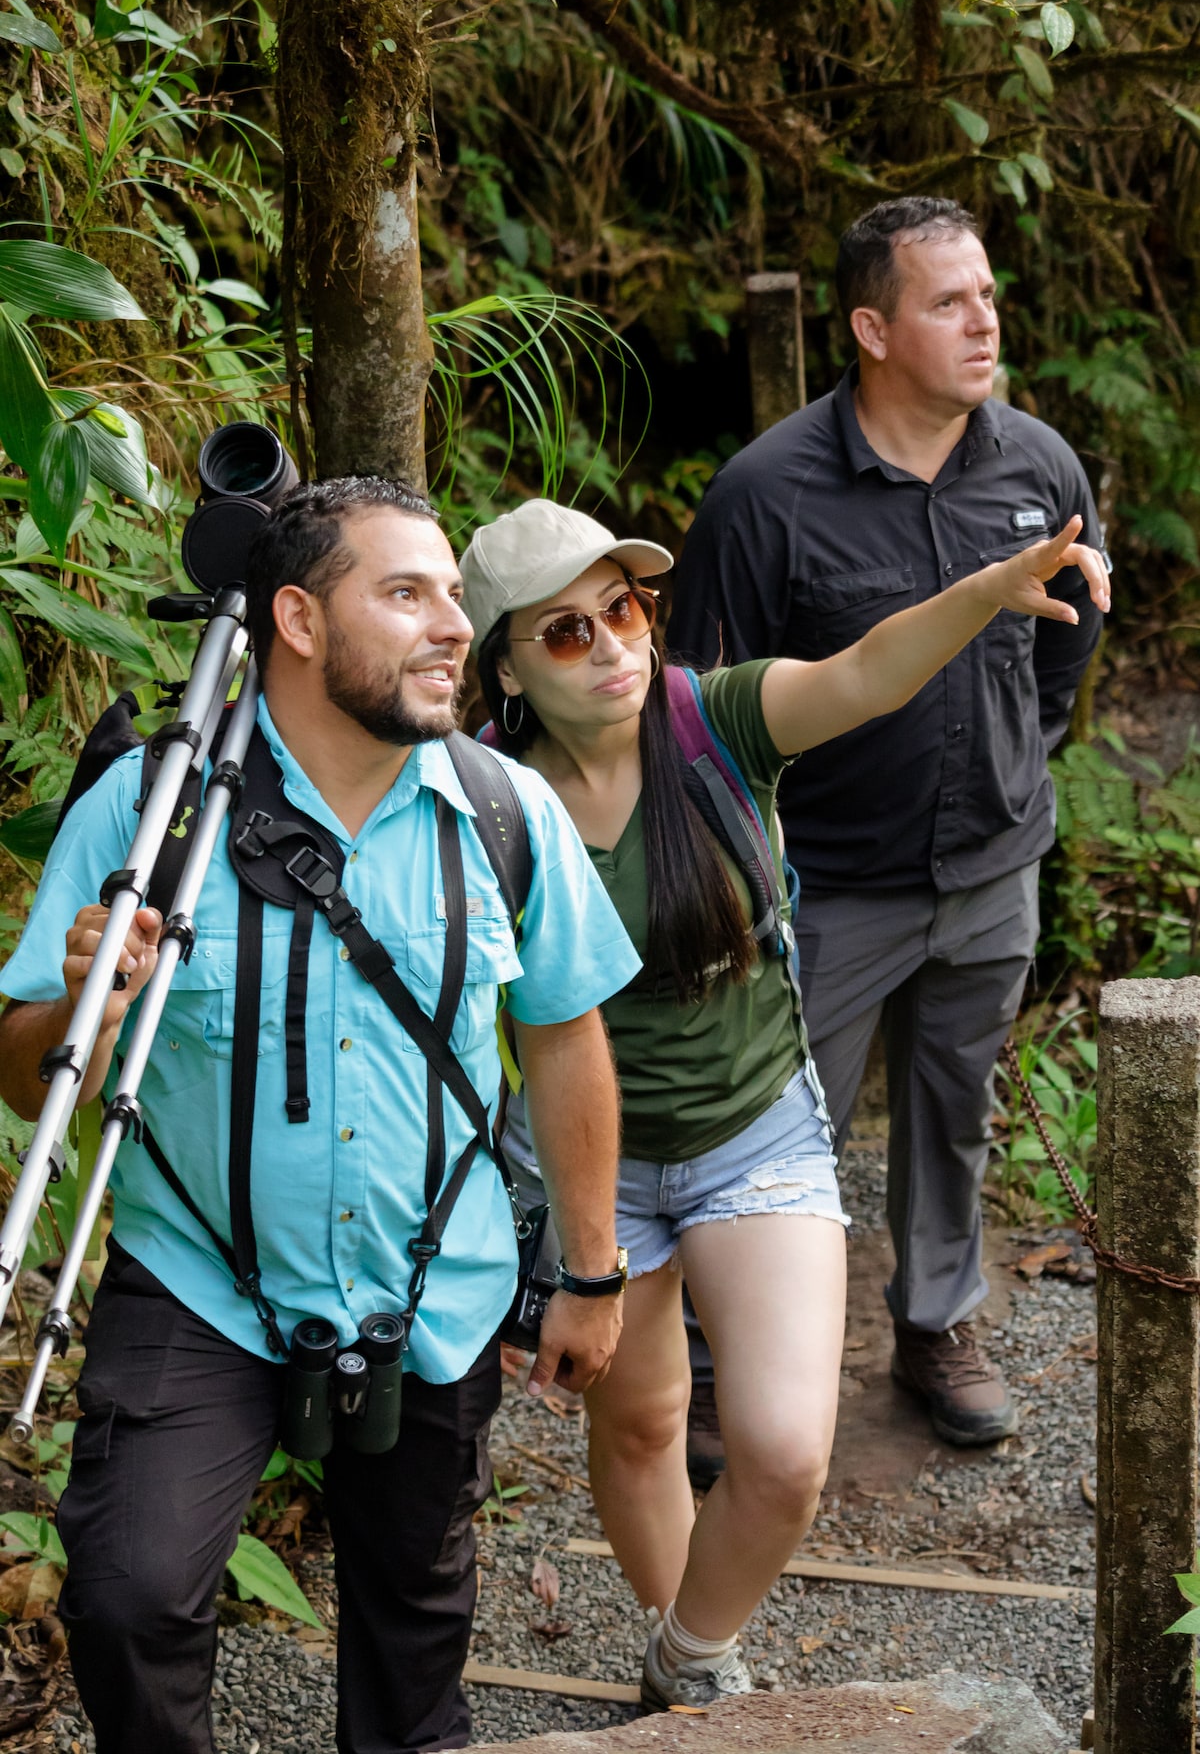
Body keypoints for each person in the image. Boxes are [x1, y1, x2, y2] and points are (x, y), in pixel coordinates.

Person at [0, 477, 642, 1754]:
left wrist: (591, 1271)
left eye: (453, 594)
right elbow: (28, 1077)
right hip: (198, 1280)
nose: (452, 624)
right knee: (127, 1596)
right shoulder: (150, 810)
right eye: (405, 594)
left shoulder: (503, 813)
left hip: (435, 1286)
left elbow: (566, 1039)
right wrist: (88, 999)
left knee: (414, 1633)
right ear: (296, 620)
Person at [460, 493, 1108, 1706]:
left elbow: (865, 673)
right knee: (643, 1426)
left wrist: (985, 593)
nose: (611, 647)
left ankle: (688, 1652)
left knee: (782, 1453)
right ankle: (694, 1686)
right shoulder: (479, 800)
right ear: (503, 665)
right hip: (591, 1170)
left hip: (753, 1131)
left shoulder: (713, 724)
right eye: (567, 632)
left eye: (623, 609)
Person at [666, 195, 1108, 1462]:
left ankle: (936, 1324)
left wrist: (1012, 774)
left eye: (988, 295)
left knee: (954, 1109)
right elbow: (697, 707)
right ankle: (719, 1361)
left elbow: (1064, 663)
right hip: (822, 887)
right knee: (764, 1123)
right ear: (871, 329)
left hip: (991, 869)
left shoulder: (1040, 470)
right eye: (948, 302)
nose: (985, 322)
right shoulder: (768, 495)